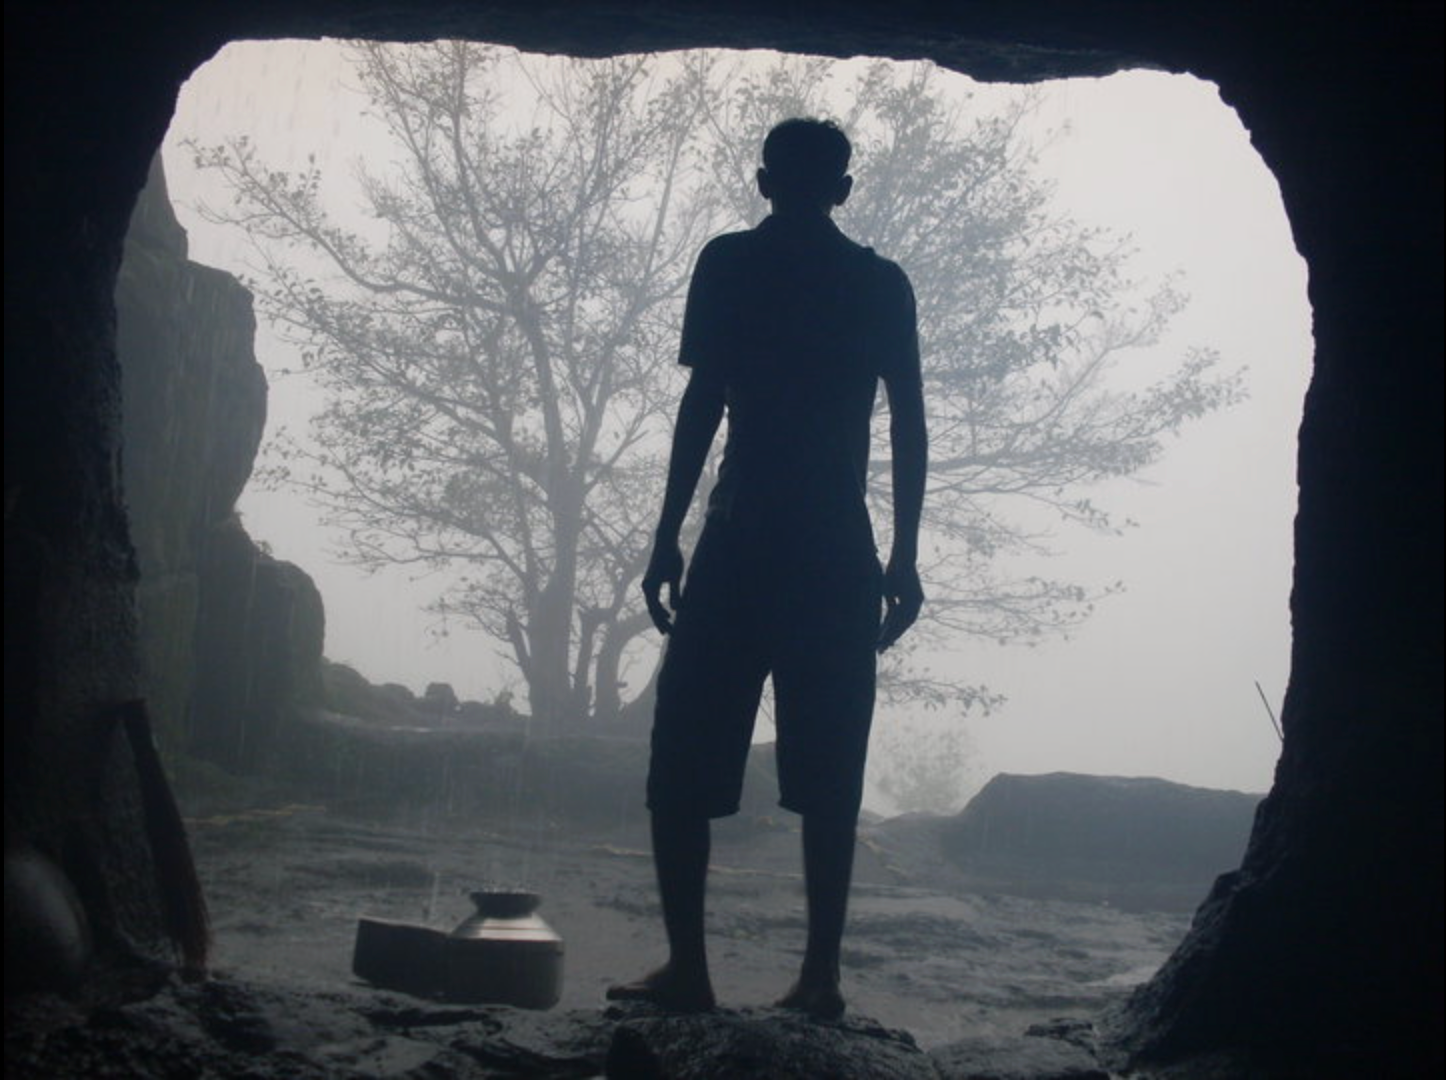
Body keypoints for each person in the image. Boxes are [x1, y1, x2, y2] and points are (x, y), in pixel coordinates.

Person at [607, 118, 927, 1020]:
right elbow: (907, 421)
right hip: (832, 543)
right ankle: (819, 978)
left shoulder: (732, 264)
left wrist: (668, 531)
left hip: (741, 536)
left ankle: (690, 971)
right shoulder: (876, 284)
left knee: (683, 759)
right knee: (832, 763)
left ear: (762, 180)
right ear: (844, 189)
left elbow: (703, 403)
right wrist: (902, 556)